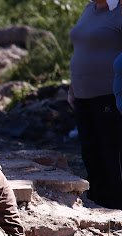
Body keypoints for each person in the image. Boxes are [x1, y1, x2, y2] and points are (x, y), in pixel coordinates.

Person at [68, 0, 122, 209]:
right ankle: (98, 202)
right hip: (83, 95)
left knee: (112, 151)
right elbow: (81, 50)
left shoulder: (119, 10)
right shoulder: (90, 9)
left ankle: (116, 205)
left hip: (109, 94)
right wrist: (72, 87)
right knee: (89, 150)